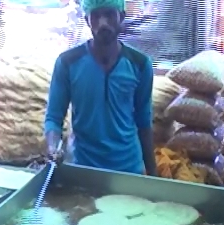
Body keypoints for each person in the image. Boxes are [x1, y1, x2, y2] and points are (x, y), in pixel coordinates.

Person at [44, 0, 157, 176]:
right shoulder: (67, 62)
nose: (103, 23)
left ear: (122, 16)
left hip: (129, 169)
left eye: (109, 14)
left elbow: (144, 120)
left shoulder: (140, 64)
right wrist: (53, 147)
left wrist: (153, 174)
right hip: (83, 168)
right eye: (95, 16)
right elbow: (53, 117)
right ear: (87, 20)